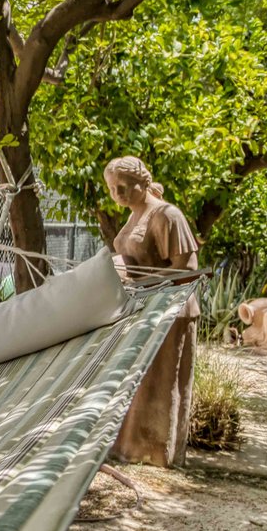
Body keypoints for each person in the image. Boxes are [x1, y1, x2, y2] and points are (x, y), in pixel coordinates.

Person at [103, 156, 199, 466]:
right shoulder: (135, 215)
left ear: (142, 183)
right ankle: (127, 445)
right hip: (142, 307)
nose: (117, 194)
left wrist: (139, 280)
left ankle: (153, 451)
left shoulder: (167, 215)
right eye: (112, 188)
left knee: (157, 382)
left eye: (123, 186)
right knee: (134, 379)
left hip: (169, 311)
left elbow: (187, 269)